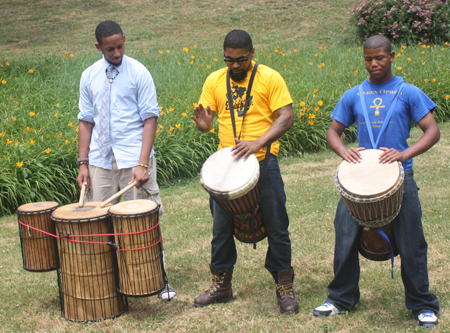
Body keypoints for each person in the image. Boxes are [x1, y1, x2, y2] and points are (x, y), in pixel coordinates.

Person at [313, 35, 440, 328]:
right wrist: (343, 150)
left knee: (412, 242)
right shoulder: (354, 94)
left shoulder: (408, 92)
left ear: (392, 56)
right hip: (358, 180)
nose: (374, 64)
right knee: (344, 236)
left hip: (400, 177)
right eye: (368, 59)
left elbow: (432, 130)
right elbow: (333, 131)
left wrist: (404, 153)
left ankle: (422, 304)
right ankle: (340, 298)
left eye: (380, 58)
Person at [191, 29, 298, 314]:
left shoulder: (269, 77)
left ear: (252, 53)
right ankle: (221, 286)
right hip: (226, 166)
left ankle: (284, 287)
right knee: (220, 230)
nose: (235, 65)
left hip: (264, 162)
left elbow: (286, 117)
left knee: (277, 227)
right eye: (229, 60)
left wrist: (259, 142)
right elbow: (209, 120)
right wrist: (204, 125)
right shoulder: (215, 79)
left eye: (241, 60)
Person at [76, 20, 176, 301]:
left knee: (143, 221)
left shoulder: (139, 72)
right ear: (98, 47)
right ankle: (112, 283)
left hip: (134, 159)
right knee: (102, 221)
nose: (117, 52)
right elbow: (85, 120)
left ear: (124, 40)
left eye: (120, 46)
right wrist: (83, 163)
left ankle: (159, 278)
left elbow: (150, 119)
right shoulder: (89, 75)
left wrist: (142, 164)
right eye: (110, 49)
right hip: (100, 161)